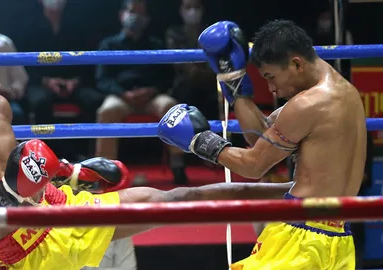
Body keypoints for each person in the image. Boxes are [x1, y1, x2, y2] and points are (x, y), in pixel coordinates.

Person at [0, 36, 294, 270]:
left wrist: (71, 173)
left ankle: (299, 192)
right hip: (29, 255)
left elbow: (33, 171)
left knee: (179, 198)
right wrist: (9, 193)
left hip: (62, 207)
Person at [157, 20, 367, 269]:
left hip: (301, 238)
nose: (272, 89)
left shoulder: (307, 105)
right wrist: (232, 79)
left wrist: (200, 141)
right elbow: (263, 139)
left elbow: (254, 165)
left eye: (271, 77)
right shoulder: (345, 93)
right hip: (339, 239)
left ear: (296, 64)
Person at [96, 0, 187, 184]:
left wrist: (151, 90)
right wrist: (123, 93)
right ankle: (104, 172)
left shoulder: (156, 43)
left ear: (147, 18)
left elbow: (167, 77)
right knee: (106, 111)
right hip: (122, 96)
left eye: (140, 13)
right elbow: (102, 79)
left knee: (172, 106)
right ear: (122, 15)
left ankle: (178, 166)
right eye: (131, 11)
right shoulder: (109, 44)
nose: (135, 17)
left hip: (151, 97)